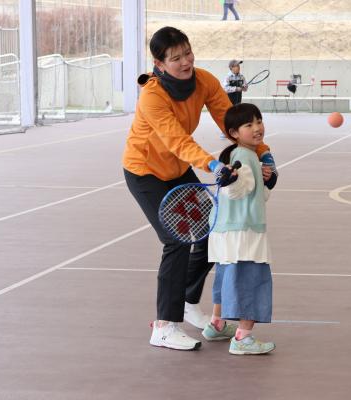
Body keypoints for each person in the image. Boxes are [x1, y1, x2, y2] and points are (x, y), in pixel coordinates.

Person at [122, 26, 276, 351]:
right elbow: (176, 140)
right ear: (159, 63)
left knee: (212, 229)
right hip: (145, 172)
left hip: (177, 169)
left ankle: (190, 300)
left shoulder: (204, 80)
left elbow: (230, 119)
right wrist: (214, 165)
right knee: (176, 240)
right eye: (175, 58)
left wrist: (265, 155)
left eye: (187, 53)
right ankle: (164, 326)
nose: (185, 62)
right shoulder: (152, 95)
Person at [201, 103, 277, 355]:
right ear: (234, 133)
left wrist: (267, 182)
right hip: (244, 231)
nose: (257, 128)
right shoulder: (244, 156)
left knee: (226, 278)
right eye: (249, 125)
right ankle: (243, 338)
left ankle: (217, 324)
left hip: (224, 231)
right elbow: (238, 189)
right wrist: (233, 181)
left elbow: (253, 193)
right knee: (251, 280)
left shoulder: (238, 153)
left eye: (259, 121)